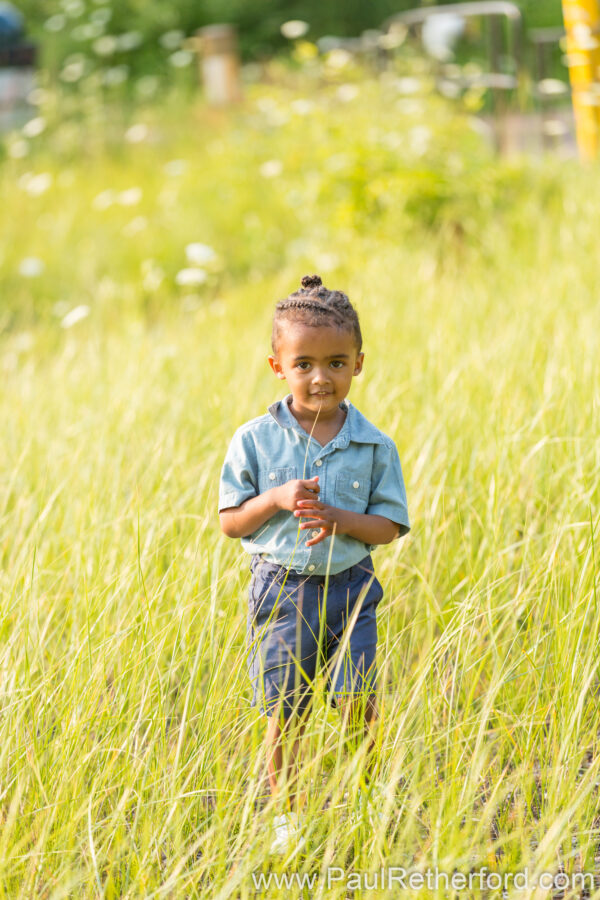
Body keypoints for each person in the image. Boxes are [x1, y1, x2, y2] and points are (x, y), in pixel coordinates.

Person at [218, 274, 410, 851]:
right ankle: (287, 818)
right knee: (286, 709)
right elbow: (231, 522)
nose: (320, 377)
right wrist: (275, 500)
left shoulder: (375, 445)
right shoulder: (254, 440)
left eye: (336, 362)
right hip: (281, 590)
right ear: (277, 366)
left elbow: (391, 525)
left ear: (358, 364)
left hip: (352, 587)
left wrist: (339, 520)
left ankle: (372, 801)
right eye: (303, 364)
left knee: (358, 701)